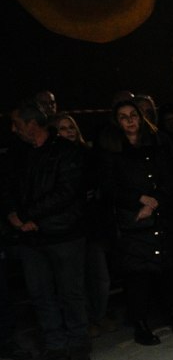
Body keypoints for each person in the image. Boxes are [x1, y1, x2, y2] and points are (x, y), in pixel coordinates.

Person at [5, 103, 90, 360]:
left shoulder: (66, 152)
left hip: (63, 233)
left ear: (32, 125)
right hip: (32, 237)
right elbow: (10, 188)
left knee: (70, 291)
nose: (13, 130)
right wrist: (13, 215)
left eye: (17, 124)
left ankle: (78, 343)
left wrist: (29, 216)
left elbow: (66, 192)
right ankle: (55, 345)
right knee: (40, 293)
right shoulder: (21, 155)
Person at [102, 98, 173, 346]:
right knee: (138, 274)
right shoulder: (111, 149)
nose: (129, 121)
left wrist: (156, 201)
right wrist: (139, 199)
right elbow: (107, 186)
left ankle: (172, 312)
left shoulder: (159, 141)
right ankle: (141, 323)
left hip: (160, 213)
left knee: (166, 269)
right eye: (123, 117)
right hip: (132, 218)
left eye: (133, 115)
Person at [54, 113, 115, 337]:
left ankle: (98, 316)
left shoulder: (88, 155)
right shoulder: (54, 159)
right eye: (62, 128)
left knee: (99, 278)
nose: (68, 132)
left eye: (71, 127)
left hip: (92, 226)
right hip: (69, 229)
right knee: (75, 281)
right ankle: (85, 320)